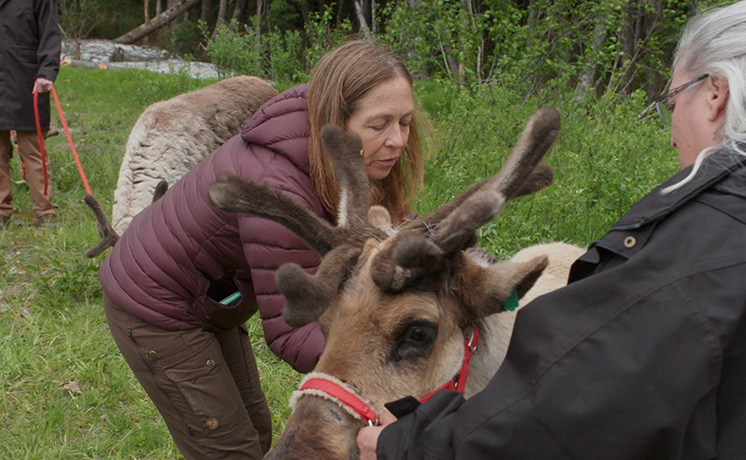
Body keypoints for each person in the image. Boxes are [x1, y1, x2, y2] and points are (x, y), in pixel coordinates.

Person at [358, 2, 746, 459]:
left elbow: (565, 409)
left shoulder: (700, 248)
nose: (672, 133)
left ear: (715, 93)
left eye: (672, 101)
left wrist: (410, 446)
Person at [98, 39, 428, 460]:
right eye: (380, 124)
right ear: (335, 118)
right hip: (154, 309)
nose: (398, 140)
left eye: (405, 122)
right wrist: (382, 373)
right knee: (229, 448)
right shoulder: (279, 188)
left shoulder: (338, 154)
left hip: (212, 298)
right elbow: (291, 330)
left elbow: (390, 230)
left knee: (255, 430)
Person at [0, 0, 61, 228]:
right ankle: (1, 212)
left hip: (26, 80)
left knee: (33, 151)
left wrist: (46, 72)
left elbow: (50, 34)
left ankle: (45, 212)